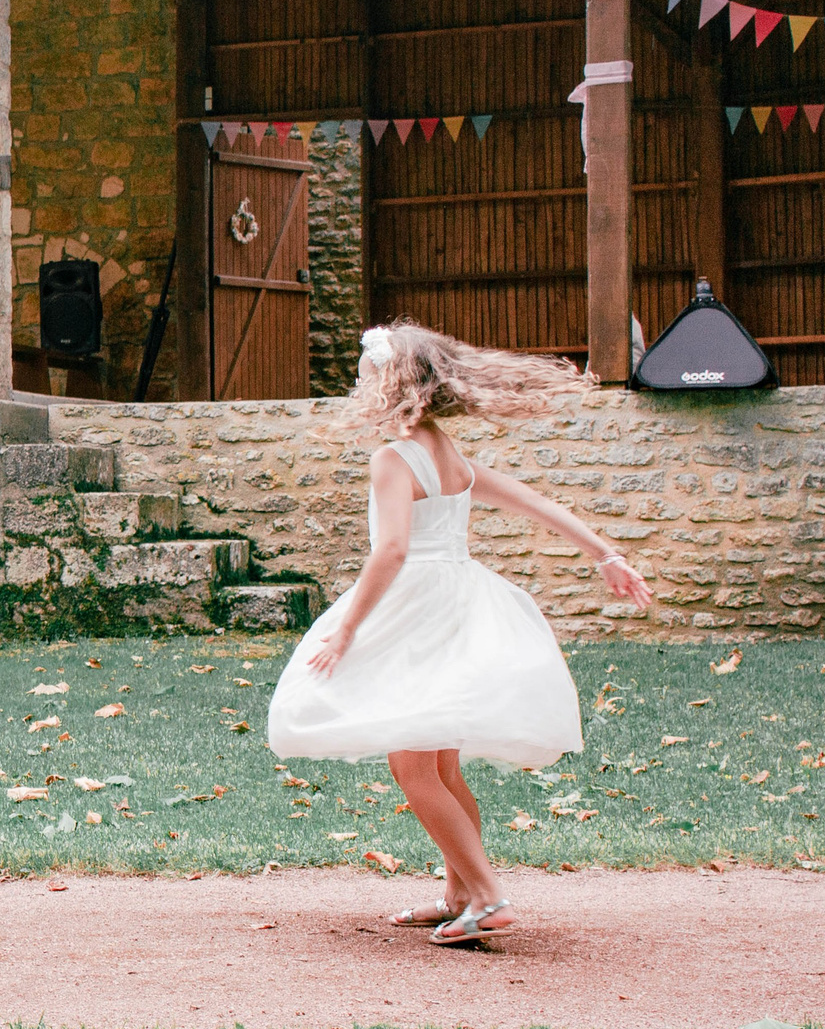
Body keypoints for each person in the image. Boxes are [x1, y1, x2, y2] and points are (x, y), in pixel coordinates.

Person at [265, 322, 653, 946]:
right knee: (442, 768)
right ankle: (459, 893)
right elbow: (533, 501)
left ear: (388, 386)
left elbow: (390, 551)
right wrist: (605, 552)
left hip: (415, 609)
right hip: (456, 601)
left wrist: (346, 631)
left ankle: (490, 898)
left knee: (414, 767)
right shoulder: (444, 452)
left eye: (364, 376)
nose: (357, 386)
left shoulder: (393, 458)